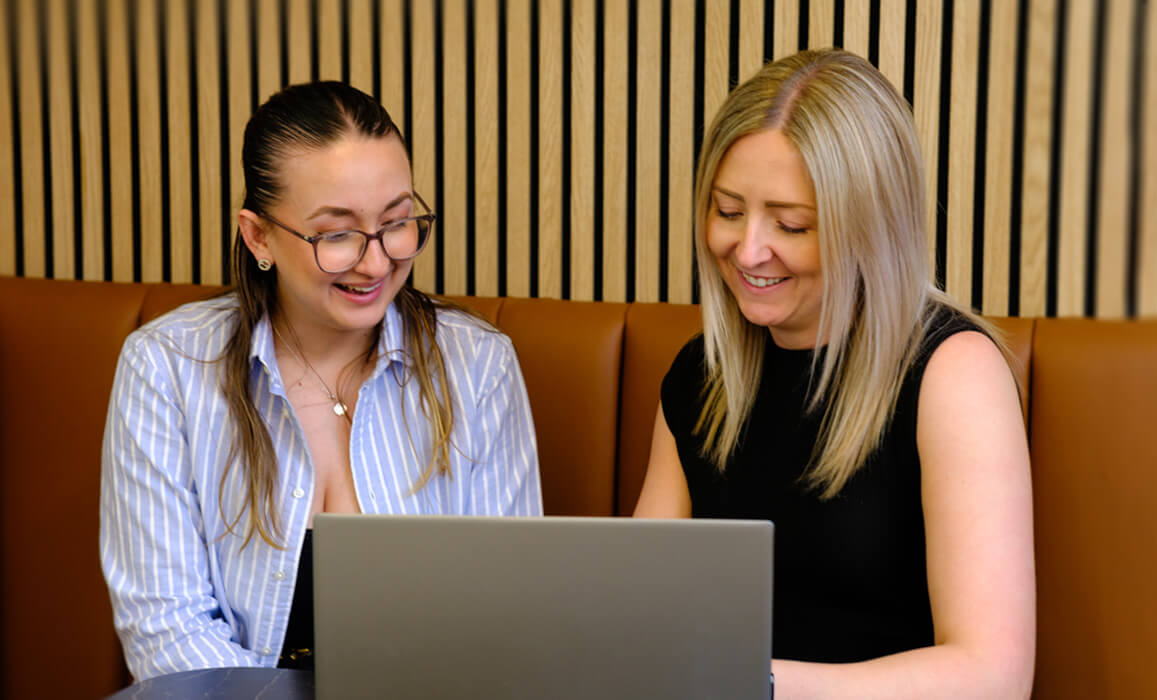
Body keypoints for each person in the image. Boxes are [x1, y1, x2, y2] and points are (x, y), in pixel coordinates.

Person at [100, 82, 542, 681]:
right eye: (336, 234)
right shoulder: (165, 367)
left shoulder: (478, 366)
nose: (377, 261)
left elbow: (507, 610)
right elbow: (166, 627)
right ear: (259, 236)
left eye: (398, 222)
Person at [634, 49, 1035, 698]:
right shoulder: (702, 376)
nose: (749, 249)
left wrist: (754, 685)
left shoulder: (952, 375)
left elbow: (993, 675)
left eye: (791, 224)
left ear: (868, 228)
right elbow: (636, 606)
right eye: (728, 211)